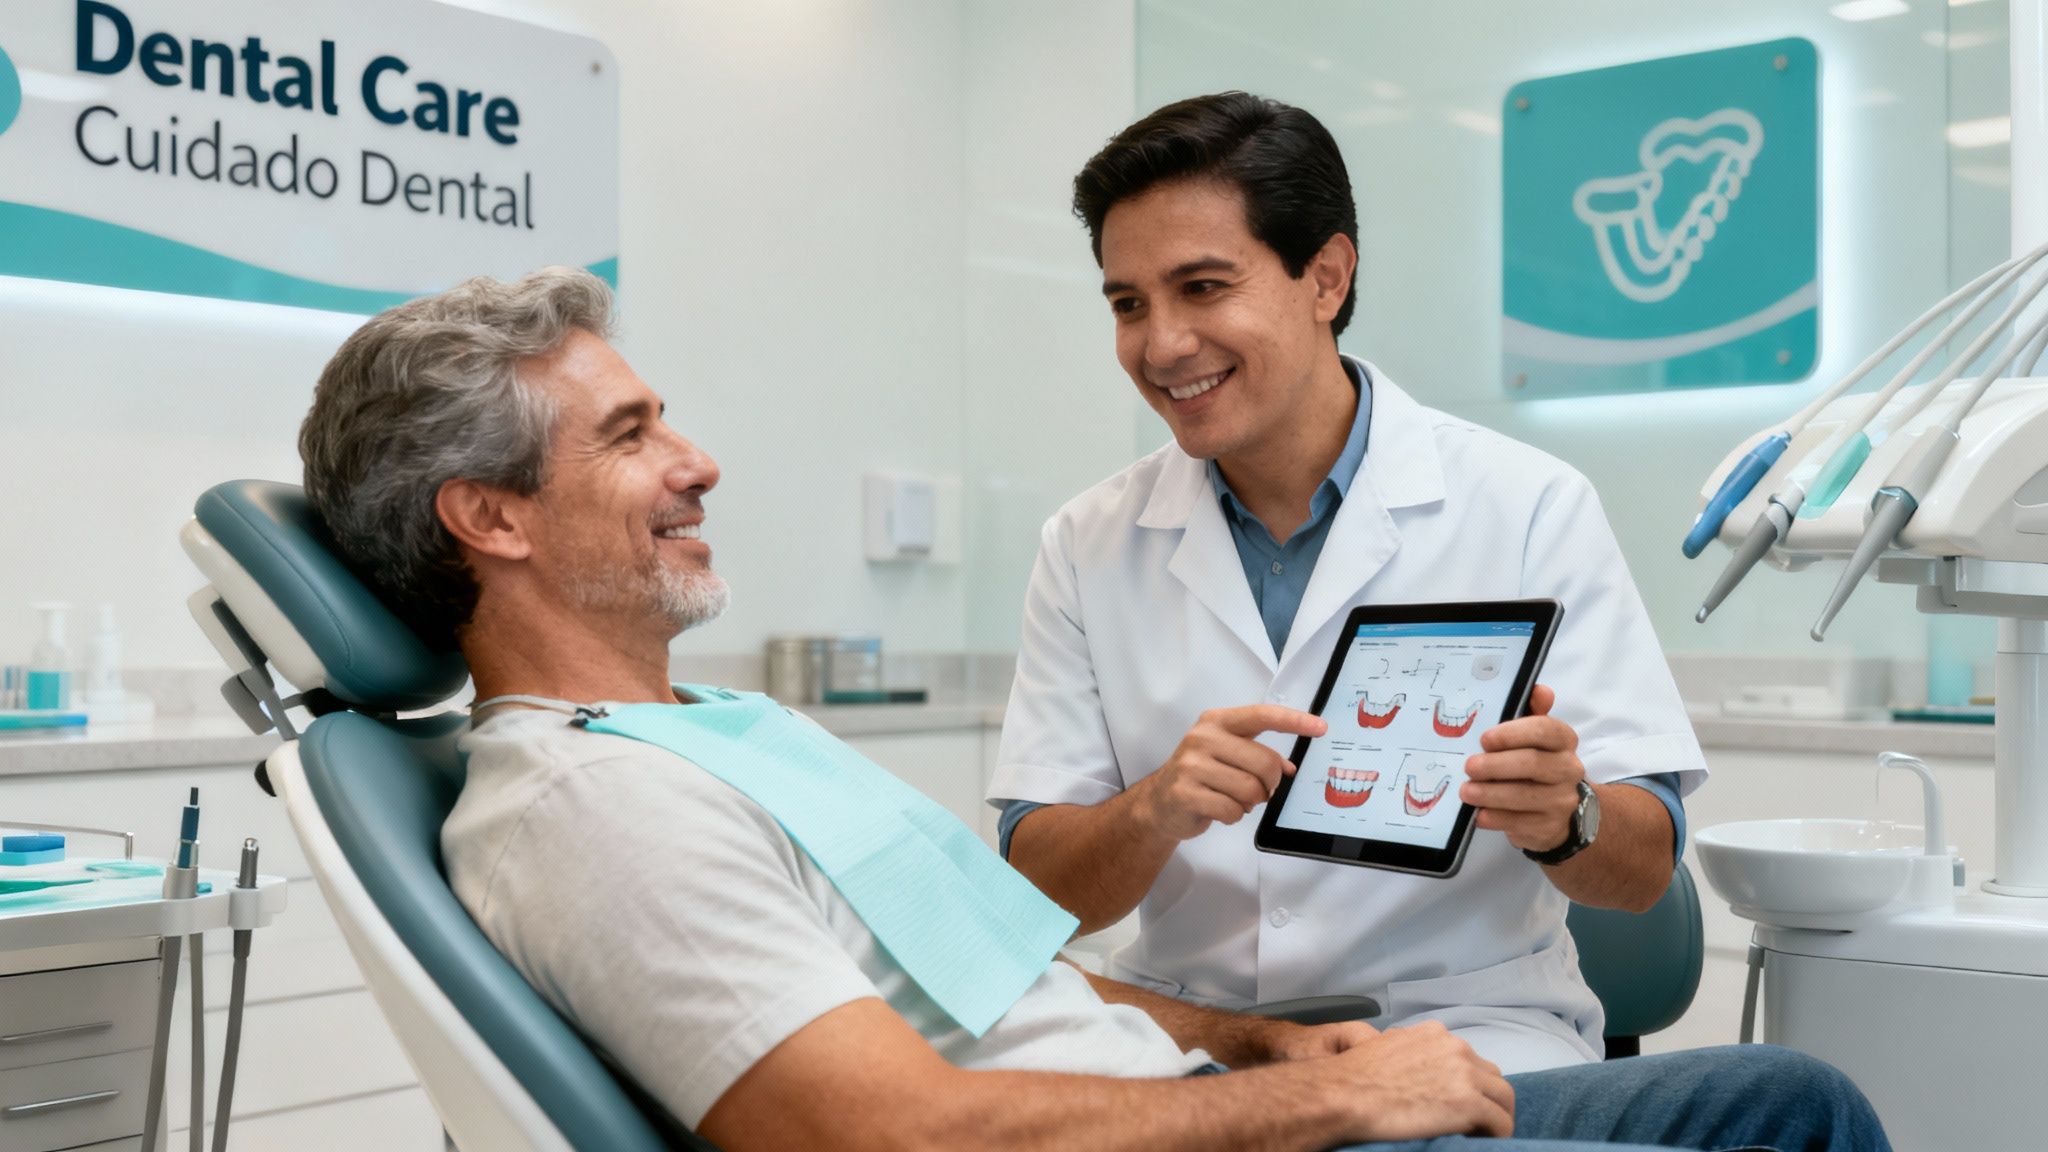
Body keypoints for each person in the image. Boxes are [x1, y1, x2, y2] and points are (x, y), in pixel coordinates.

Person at [297, 267, 1886, 1152]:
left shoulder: (710, 734)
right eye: (633, 436)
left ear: (1326, 281)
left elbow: (986, 975)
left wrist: (1254, 1043)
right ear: (490, 521)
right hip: (1195, 1144)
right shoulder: (586, 805)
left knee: (1789, 1097)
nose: (699, 461)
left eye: (1203, 288)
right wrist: (1332, 1089)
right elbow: (892, 1133)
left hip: (1224, 1091)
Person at [989, 91, 1707, 1075]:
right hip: (1194, 1048)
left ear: (1323, 278)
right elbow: (1034, 894)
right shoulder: (1085, 543)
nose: (1159, 345)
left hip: (1464, 1035)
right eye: (1127, 304)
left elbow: (1641, 868)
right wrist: (1151, 810)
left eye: (1202, 287)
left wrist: (1564, 815)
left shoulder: (1526, 505)